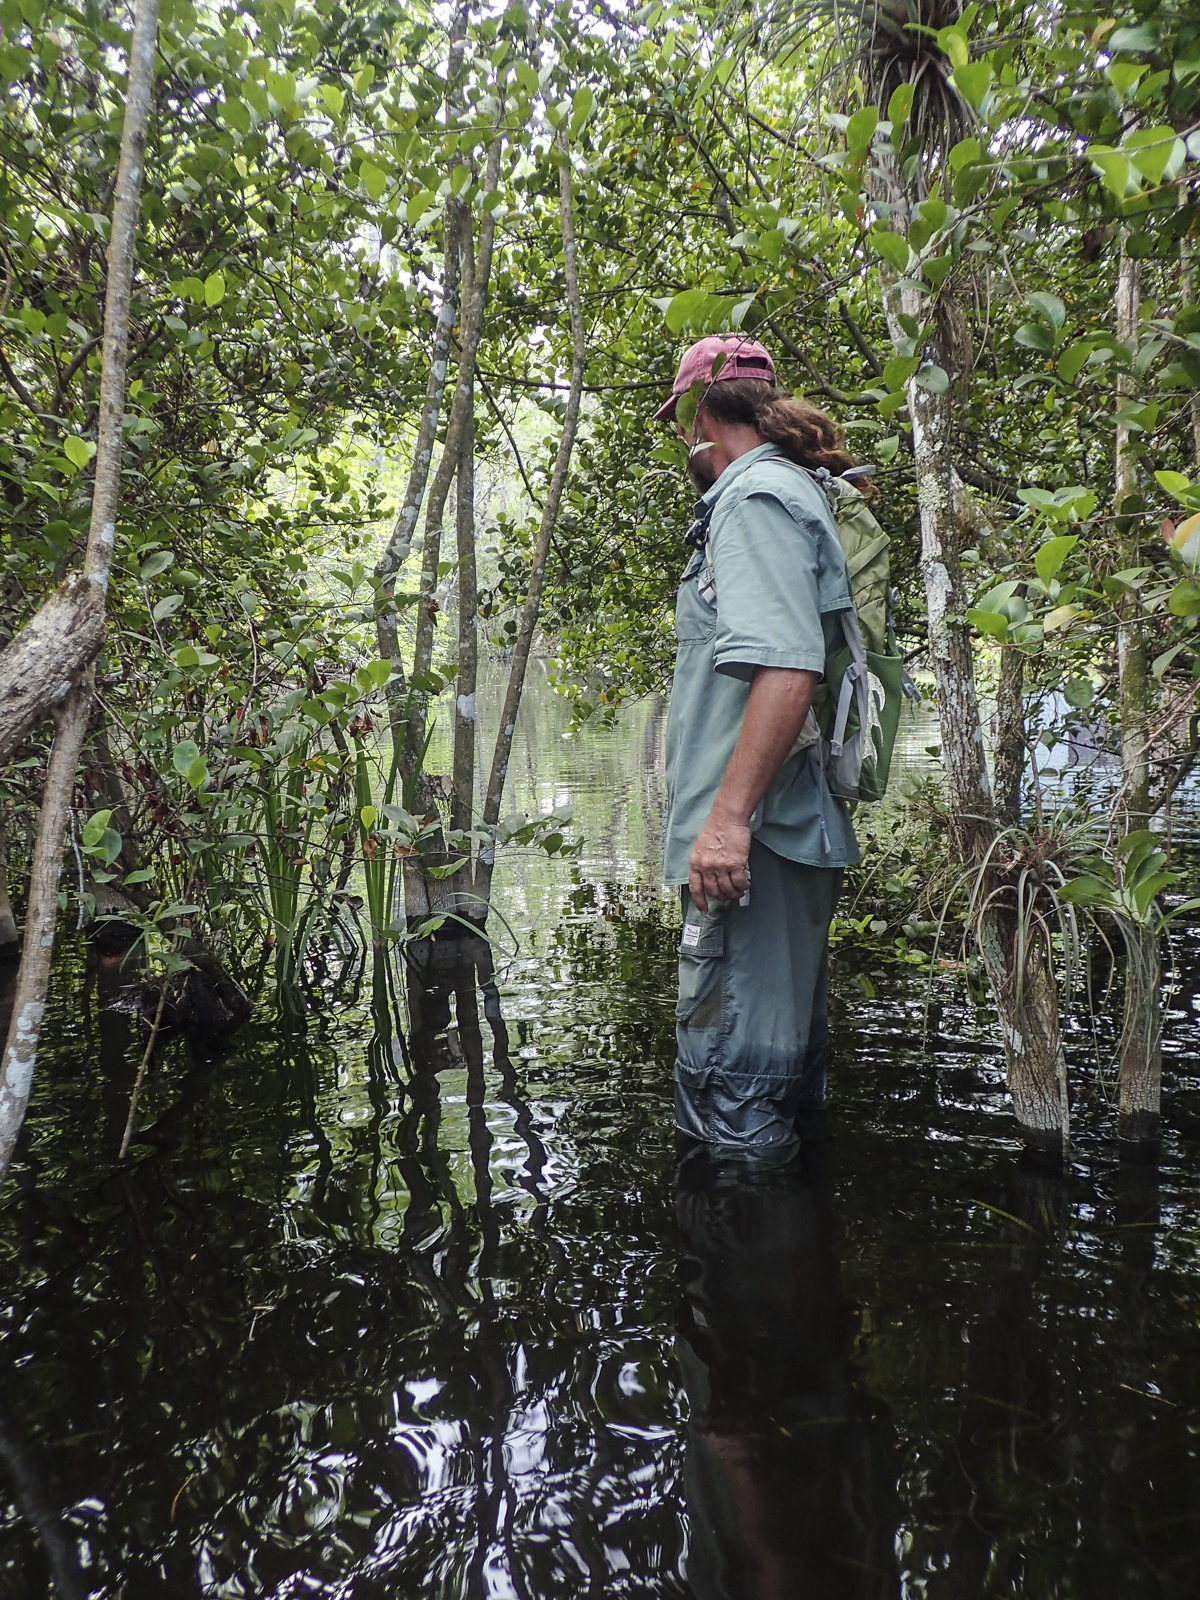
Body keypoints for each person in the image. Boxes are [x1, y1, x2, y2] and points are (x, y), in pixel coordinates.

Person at [656, 335, 861, 1158]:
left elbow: (786, 667)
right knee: (769, 1085)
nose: (684, 446)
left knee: (734, 1105)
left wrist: (726, 821)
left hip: (756, 847)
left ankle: (744, 1277)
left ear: (701, 418)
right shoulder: (789, 489)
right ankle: (785, 1268)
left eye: (681, 426)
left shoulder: (753, 499)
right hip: (774, 839)